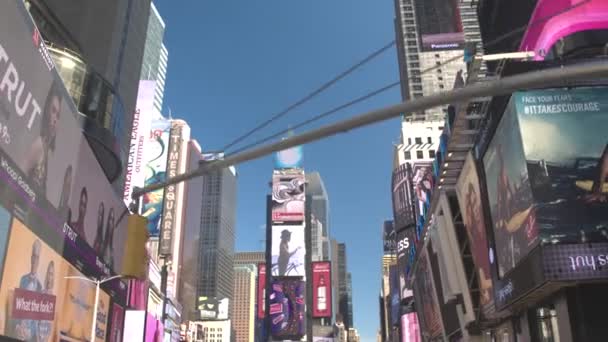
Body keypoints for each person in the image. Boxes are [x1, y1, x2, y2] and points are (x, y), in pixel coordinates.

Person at [21, 80, 62, 195]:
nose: (55, 119)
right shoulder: (38, 145)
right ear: (47, 111)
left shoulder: (47, 152)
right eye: (53, 111)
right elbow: (17, 176)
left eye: (58, 115)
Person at [13, 240, 43, 341]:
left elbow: (36, 320)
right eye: (33, 256)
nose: (35, 260)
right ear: (31, 258)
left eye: (37, 258)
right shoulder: (23, 279)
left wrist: (30, 332)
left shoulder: (40, 287)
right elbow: (16, 307)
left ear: (39, 261)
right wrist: (17, 326)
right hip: (19, 330)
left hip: (29, 334)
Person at [38, 261, 55, 342]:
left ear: (53, 276)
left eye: (51, 274)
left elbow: (50, 325)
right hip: (37, 334)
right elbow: (36, 319)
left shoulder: (53, 297)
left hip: (45, 336)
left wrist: (46, 338)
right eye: (48, 273)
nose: (49, 276)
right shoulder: (41, 292)